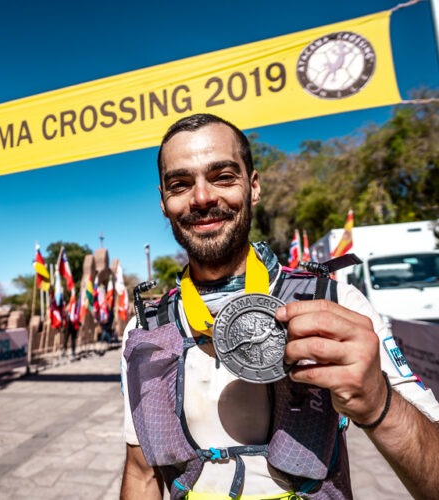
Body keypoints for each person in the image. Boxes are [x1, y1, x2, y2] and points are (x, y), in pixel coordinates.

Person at [120, 114, 439, 500]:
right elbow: (141, 474)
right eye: (180, 184)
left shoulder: (333, 303)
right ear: (164, 202)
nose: (202, 197)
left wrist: (378, 402)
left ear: (253, 187)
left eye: (222, 176)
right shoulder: (145, 329)